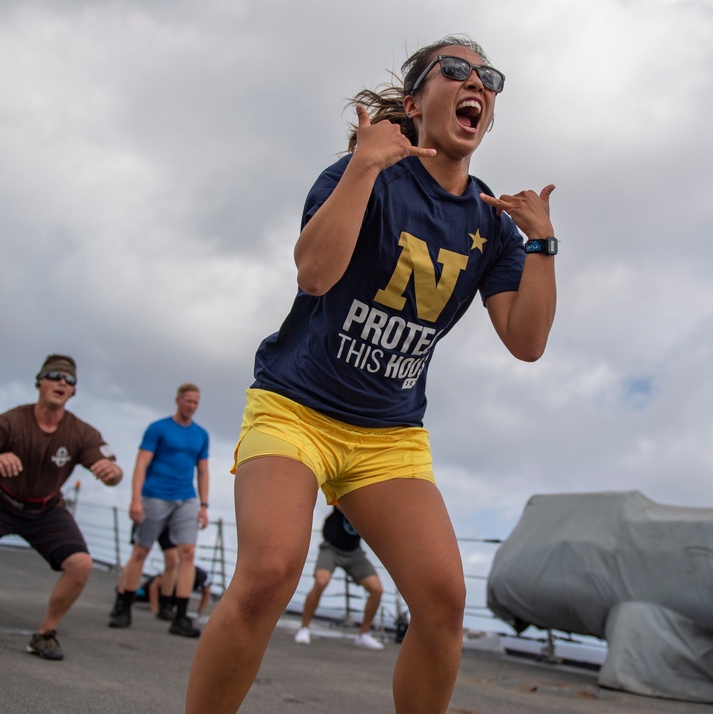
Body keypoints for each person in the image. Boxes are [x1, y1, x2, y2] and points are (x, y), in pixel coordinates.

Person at [185, 35, 557, 714]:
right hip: (295, 408)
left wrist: (543, 244)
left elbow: (527, 343)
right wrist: (361, 167)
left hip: (388, 436)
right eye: (456, 70)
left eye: (488, 77)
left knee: (444, 601)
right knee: (269, 574)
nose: (476, 81)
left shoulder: (492, 226)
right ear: (414, 103)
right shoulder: (366, 173)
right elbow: (315, 274)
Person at [0, 355, 123, 660]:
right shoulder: (11, 420)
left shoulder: (81, 432)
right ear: (39, 382)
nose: (62, 383)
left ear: (73, 392)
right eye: (55, 376)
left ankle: (45, 634)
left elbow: (112, 468)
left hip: (46, 508)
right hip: (0, 500)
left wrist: (112, 474)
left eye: (69, 380)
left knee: (81, 564)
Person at [109, 383, 209, 638]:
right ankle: (123, 607)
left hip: (186, 498)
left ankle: (180, 616)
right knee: (141, 550)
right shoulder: (158, 428)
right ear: (177, 400)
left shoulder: (201, 435)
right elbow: (141, 464)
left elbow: (203, 470)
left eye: (196, 402)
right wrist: (135, 499)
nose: (192, 406)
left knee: (186, 553)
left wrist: (204, 505)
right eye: (188, 401)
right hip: (155, 496)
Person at [294, 507, 385, 650]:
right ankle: (304, 628)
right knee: (320, 582)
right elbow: (340, 504)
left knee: (377, 589)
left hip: (354, 552)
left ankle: (363, 634)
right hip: (331, 548)